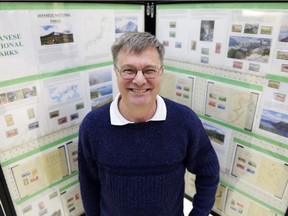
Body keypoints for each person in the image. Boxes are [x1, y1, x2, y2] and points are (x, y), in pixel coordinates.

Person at [78, 31, 220, 216]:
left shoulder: (184, 121)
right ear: (116, 72)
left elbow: (208, 172)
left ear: (161, 72)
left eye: (149, 70)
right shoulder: (92, 126)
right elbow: (89, 183)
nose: (139, 80)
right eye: (129, 70)